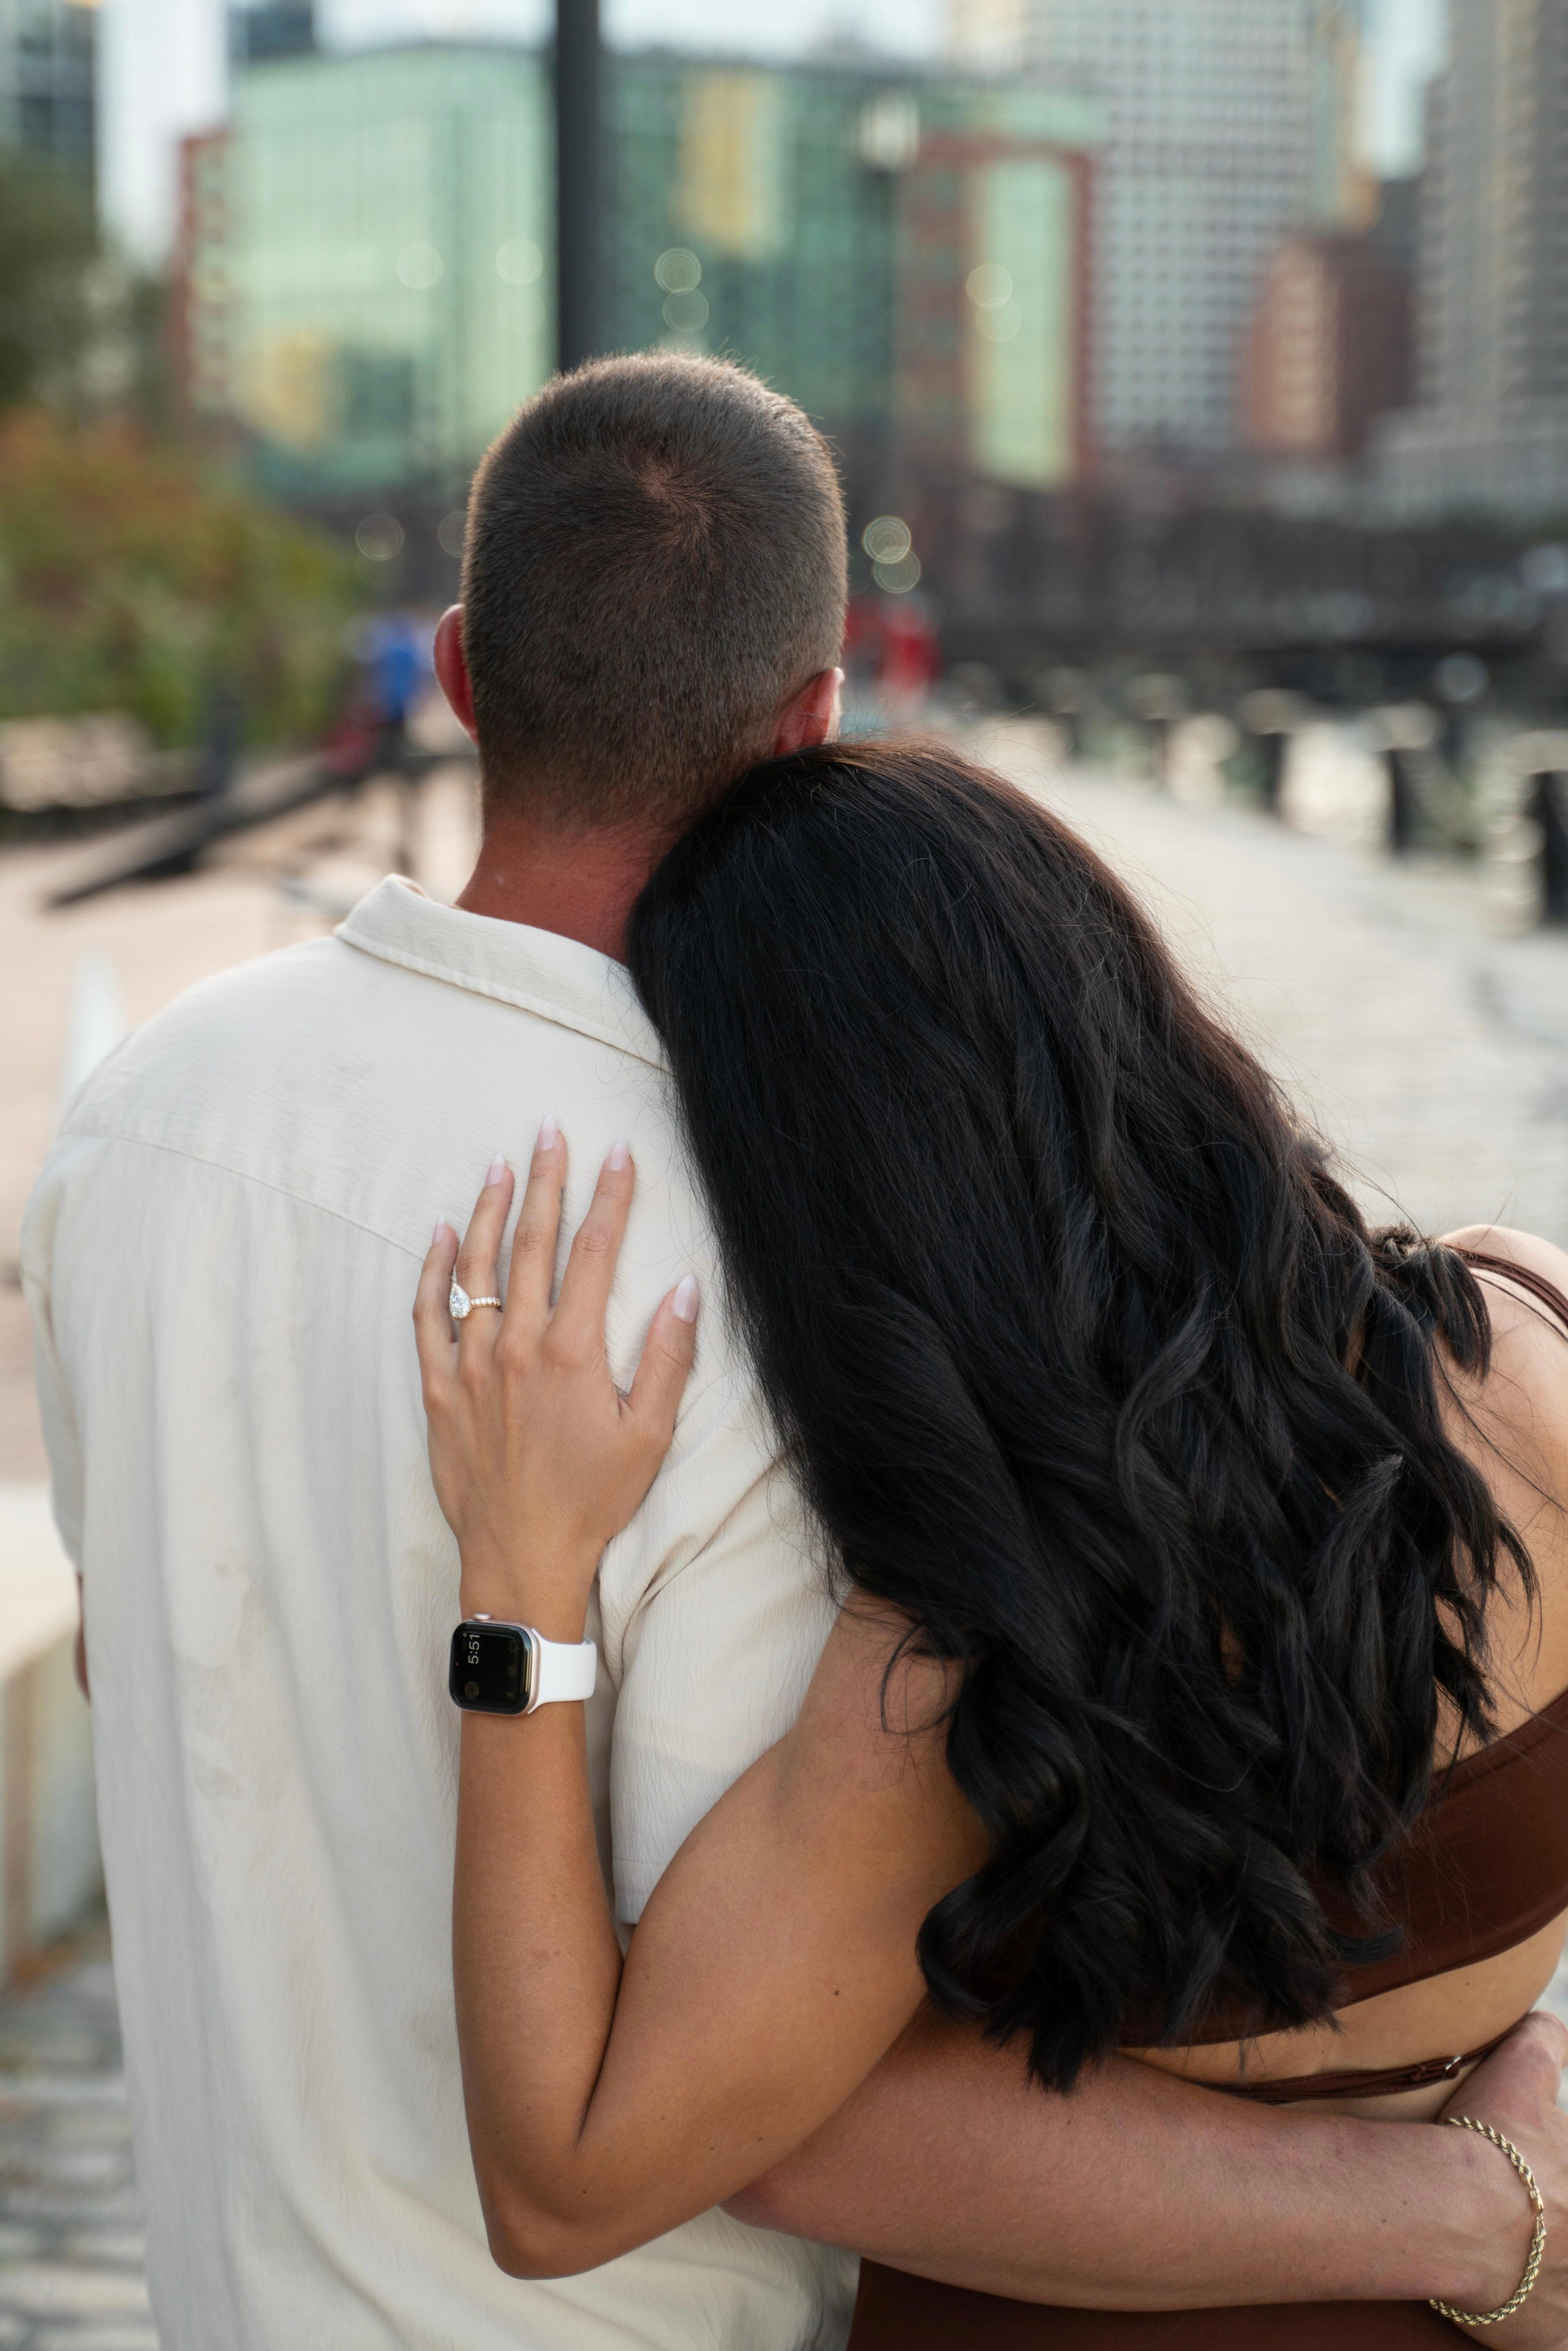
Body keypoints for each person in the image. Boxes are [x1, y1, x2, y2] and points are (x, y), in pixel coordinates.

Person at [18, 352, 1568, 2350]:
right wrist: (1482, 2191)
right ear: (816, 711)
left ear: (461, 673)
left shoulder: (132, 1116)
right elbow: (729, 2128)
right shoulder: (818, 1287)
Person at [416, 734, 1568, 2346]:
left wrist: (521, 1583)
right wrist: (1501, 2158)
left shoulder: (963, 1658)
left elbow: (568, 2183)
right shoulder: (1532, 1333)